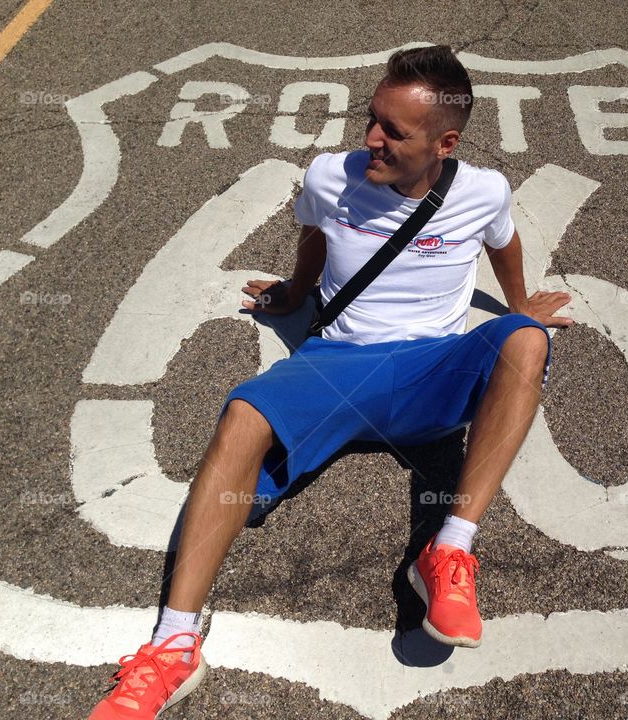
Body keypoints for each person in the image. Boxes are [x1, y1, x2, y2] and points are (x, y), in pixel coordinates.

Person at [88, 44, 573, 719]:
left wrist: (518, 304)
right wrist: (294, 291)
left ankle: (449, 551)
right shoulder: (328, 177)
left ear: (445, 142)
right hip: (335, 363)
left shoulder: (482, 190)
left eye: (393, 131)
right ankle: (173, 646)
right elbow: (314, 237)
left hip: (432, 369)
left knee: (526, 340)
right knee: (242, 417)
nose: (371, 139)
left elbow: (503, 239)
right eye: (370, 119)